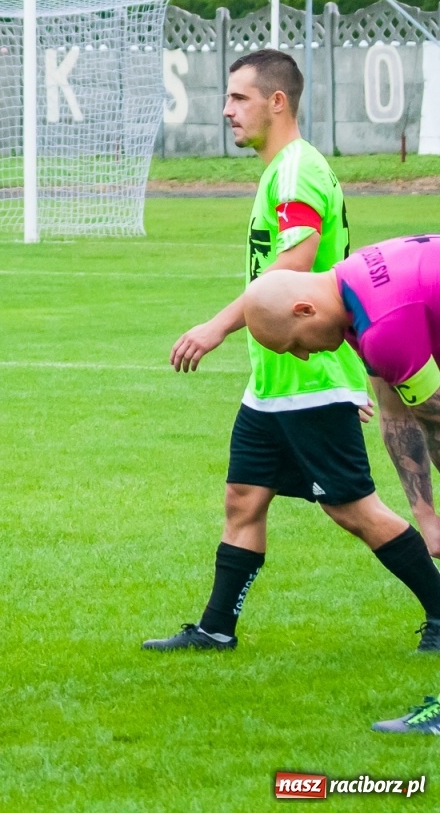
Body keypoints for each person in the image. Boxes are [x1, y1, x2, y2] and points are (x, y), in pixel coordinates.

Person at [146, 50, 440, 655]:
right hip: (274, 379)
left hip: (309, 375)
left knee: (354, 510)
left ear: (277, 101)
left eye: (239, 97)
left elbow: (292, 271)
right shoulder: (284, 168)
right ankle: (216, 629)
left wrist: (217, 326)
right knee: (243, 498)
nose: (226, 110)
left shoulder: (296, 171)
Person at [245, 235, 440, 557]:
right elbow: (395, 413)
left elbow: (435, 422)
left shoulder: (381, 329)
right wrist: (426, 517)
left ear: (304, 310)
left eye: (295, 344)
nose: (303, 356)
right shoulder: (352, 287)